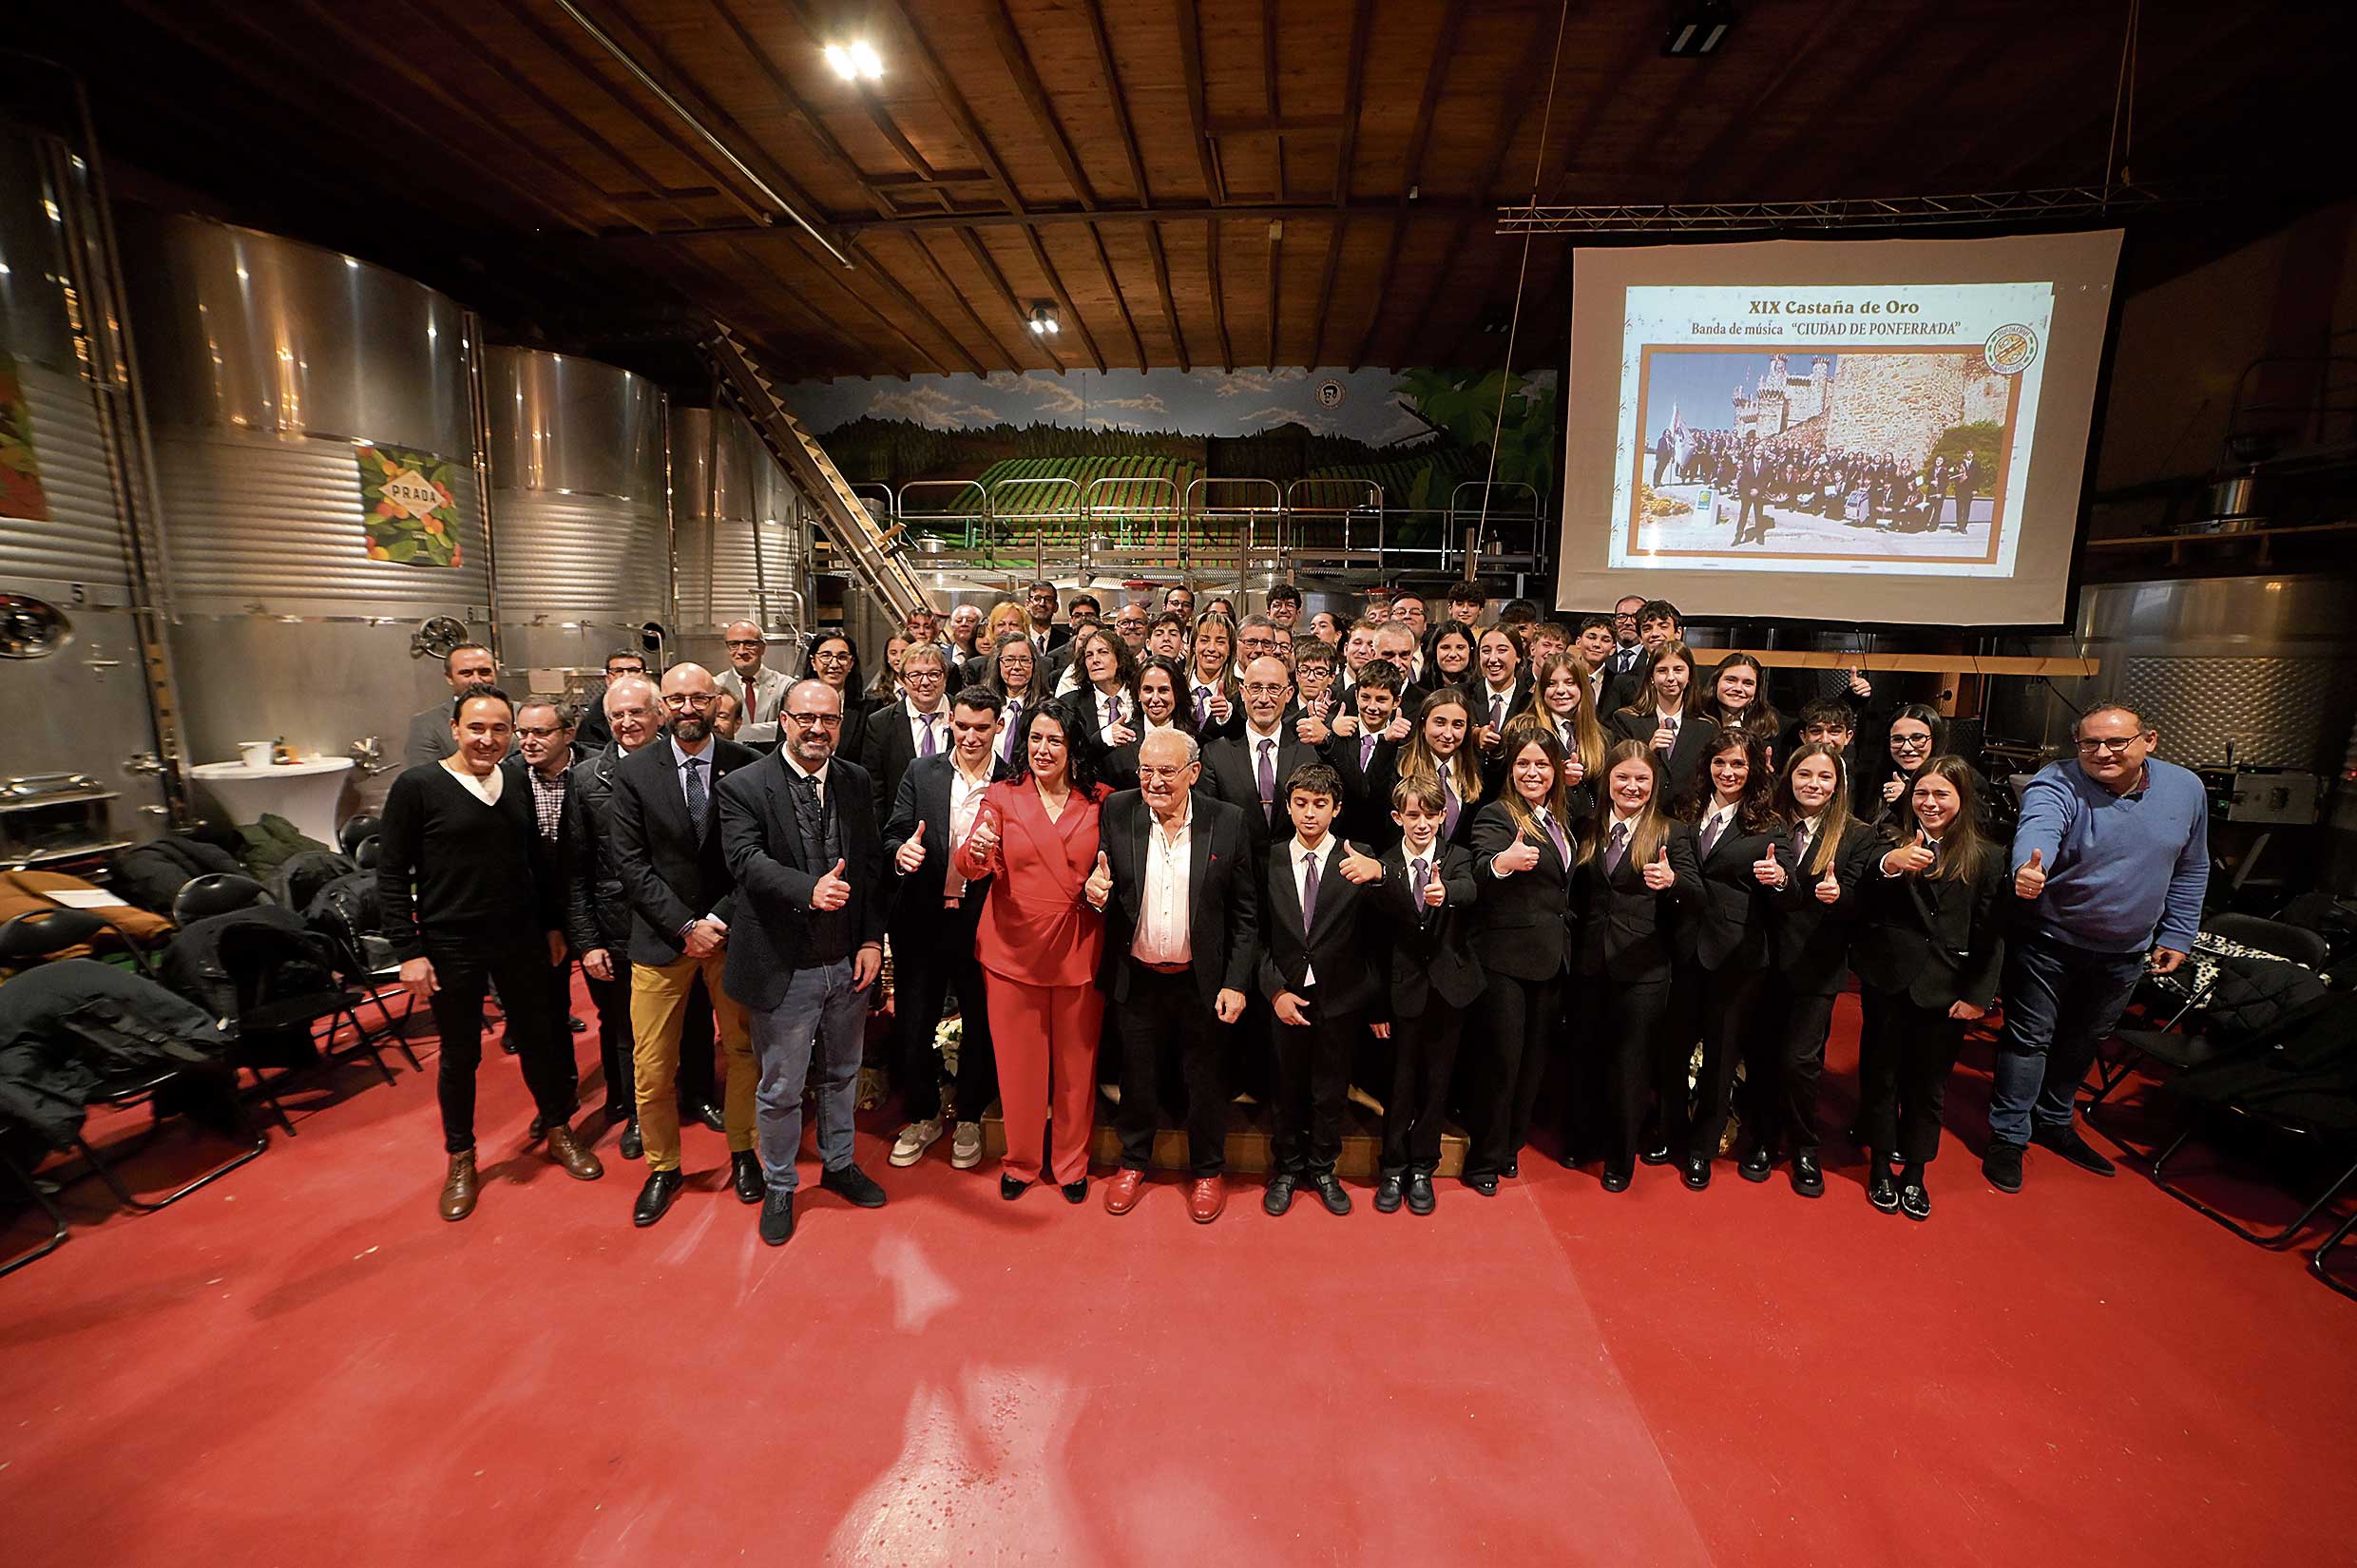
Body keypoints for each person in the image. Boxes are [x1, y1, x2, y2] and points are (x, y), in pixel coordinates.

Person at [379, 687, 603, 1220]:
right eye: (477, 728)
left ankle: (557, 1128)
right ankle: (461, 1157)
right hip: (451, 942)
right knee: (461, 1056)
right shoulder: (418, 787)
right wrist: (408, 950)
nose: (488, 739)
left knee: (542, 1038)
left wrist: (552, 924)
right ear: (455, 728)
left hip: (522, 935)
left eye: (500, 729)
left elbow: (539, 862)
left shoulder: (519, 784)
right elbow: (390, 874)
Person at [1984, 703, 2208, 1192]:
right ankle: (2008, 1136)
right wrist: (2029, 868)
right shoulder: (2057, 782)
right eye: (2089, 744)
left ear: (2148, 740)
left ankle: (2054, 1120)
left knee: (2084, 1040)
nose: (2101, 753)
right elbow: (2039, 828)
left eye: (2115, 743)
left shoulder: (2185, 789)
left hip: (2126, 949)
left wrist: (2177, 933)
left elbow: (2192, 866)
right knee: (2029, 1038)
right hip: (2051, 939)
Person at [716, 678, 891, 1248]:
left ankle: (839, 1163)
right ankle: (782, 1185)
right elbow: (745, 861)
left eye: (829, 719)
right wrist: (808, 889)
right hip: (784, 964)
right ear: (784, 720)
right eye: (805, 718)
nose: (818, 729)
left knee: (843, 1074)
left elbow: (866, 868)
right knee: (782, 1086)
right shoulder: (743, 785)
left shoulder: (855, 780)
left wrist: (871, 941)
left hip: (847, 961)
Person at [606, 663, 762, 1227]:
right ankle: (664, 1167)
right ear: (661, 707)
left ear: (715, 700)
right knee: (651, 1066)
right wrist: (684, 925)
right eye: (677, 699)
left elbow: (754, 858)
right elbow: (628, 862)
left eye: (699, 697)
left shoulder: (747, 766)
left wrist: (716, 920)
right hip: (660, 940)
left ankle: (745, 1152)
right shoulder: (634, 773)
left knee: (744, 1053)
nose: (689, 708)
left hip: (732, 933)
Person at [1091, 728, 1257, 1222]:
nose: (1155, 781)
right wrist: (1095, 889)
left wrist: (1235, 981)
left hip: (1201, 980)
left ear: (1193, 774)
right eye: (1146, 769)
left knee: (1205, 1080)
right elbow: (1103, 880)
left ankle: (1207, 1169)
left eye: (1167, 771)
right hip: (1137, 975)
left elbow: (1246, 915)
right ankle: (1133, 1161)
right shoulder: (1118, 811)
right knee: (1137, 1076)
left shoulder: (1226, 821)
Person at [953, 703, 1108, 1203]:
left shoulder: (1101, 800)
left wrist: (1109, 886)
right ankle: (1020, 1162)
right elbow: (972, 861)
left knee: (1075, 1068)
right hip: (1011, 952)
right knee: (1018, 1067)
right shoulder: (1001, 796)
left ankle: (1071, 1163)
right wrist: (975, 853)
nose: (1043, 750)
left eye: (1055, 741)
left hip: (1077, 949)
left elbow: (1118, 863)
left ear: (1073, 748)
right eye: (1036, 739)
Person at [1852, 755, 2003, 1220]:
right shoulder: (1886, 841)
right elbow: (1862, 891)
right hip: (1888, 980)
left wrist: (1979, 996)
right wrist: (1889, 865)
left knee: (1929, 1086)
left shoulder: (1987, 856)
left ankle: (1915, 1172)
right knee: (1880, 1076)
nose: (1930, 803)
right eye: (1922, 793)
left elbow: (1990, 933)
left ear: (1962, 800)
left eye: (1942, 794)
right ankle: (1879, 1166)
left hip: (1945, 988)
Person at [882, 687, 1010, 1175]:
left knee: (981, 1023)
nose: (971, 736)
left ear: (998, 726)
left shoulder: (1013, 781)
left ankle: (973, 1115)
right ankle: (922, 1114)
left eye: (982, 727)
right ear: (949, 724)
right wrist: (900, 853)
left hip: (984, 925)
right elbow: (894, 831)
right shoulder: (922, 771)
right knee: (914, 1024)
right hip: (922, 920)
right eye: (962, 726)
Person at [1569, 741, 1701, 1190]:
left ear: (1654, 783)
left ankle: (1620, 1159)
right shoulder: (1587, 827)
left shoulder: (1671, 833)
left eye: (1641, 779)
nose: (1632, 786)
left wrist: (1674, 883)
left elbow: (1699, 895)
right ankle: (1583, 1139)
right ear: (1608, 780)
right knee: (1585, 1057)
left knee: (1630, 1066)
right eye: (1623, 777)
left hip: (1644, 968)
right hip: (1588, 964)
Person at [1747, 741, 1875, 1195]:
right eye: (1804, 775)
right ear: (1789, 778)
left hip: (1818, 965)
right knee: (1761, 1055)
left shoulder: (1857, 835)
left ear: (1838, 785)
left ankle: (1804, 1144)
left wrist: (1839, 900)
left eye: (1824, 777)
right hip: (1762, 960)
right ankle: (1762, 1137)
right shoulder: (1766, 824)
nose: (1813, 784)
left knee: (1800, 1061)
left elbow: (1864, 904)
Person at [1257, 762, 1385, 1217]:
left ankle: (1324, 1168)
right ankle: (1288, 1169)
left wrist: (1381, 876)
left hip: (1342, 998)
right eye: (1301, 804)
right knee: (1287, 1088)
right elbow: (1257, 934)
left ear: (1337, 809)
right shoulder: (1269, 859)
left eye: (1320, 805)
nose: (1310, 814)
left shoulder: (1360, 857)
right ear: (1288, 807)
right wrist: (1274, 991)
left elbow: (1380, 934)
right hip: (1287, 996)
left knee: (1330, 1090)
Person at [1462, 728, 1577, 1194]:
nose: (1533, 773)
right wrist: (1502, 863)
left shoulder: (1559, 818)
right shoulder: (1497, 814)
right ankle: (1482, 1161)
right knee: (1502, 1063)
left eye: (1543, 765)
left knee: (1532, 1062)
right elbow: (1479, 869)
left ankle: (1510, 1145)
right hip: (1505, 960)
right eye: (1524, 764)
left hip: (1553, 958)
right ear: (1510, 770)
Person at [1672, 731, 1788, 1191]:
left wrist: (1779, 879)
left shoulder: (1768, 824)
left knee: (1721, 1056)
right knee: (1674, 1045)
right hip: (1679, 947)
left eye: (1738, 765)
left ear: (1753, 770)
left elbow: (1790, 885)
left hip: (1735, 953)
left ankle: (1703, 1146)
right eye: (1721, 763)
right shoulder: (1684, 809)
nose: (1729, 772)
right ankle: (1671, 1129)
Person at [1370, 776, 1481, 1214]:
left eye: (1430, 815)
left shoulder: (1457, 859)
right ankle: (1393, 1167)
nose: (1421, 823)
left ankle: (1423, 1167)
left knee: (1437, 1082)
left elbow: (1470, 889)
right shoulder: (1384, 865)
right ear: (1398, 817)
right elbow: (1374, 944)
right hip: (1400, 994)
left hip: (1448, 993)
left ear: (1443, 816)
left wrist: (1446, 892)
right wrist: (1377, 1003)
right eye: (1412, 815)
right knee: (1399, 1082)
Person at [566, 674, 663, 1155]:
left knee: (691, 1019)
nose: (627, 723)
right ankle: (633, 1112)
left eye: (637, 712)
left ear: (659, 714)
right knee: (625, 1028)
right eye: (617, 716)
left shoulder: (685, 766)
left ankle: (694, 1097)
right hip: (617, 925)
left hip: (676, 921)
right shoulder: (585, 781)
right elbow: (576, 868)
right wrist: (588, 942)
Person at [508, 697, 581, 1090]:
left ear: (568, 733)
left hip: (587, 901)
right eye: (523, 733)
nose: (529, 741)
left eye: (541, 732)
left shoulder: (593, 770)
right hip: (536, 910)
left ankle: (627, 1098)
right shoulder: (508, 778)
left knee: (617, 1010)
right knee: (549, 1011)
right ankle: (561, 1096)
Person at [1200, 656, 1319, 861]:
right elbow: (1209, 824)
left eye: (1273, 688)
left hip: (1294, 874)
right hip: (1237, 875)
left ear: (1289, 693)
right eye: (1255, 688)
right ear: (1243, 692)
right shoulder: (1215, 754)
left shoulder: (1310, 752)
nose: (1264, 698)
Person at [858, 640, 953, 829]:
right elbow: (875, 792)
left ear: (945, 677)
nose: (925, 682)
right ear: (902, 679)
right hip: (902, 833)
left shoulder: (965, 714)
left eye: (934, 674)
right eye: (915, 675)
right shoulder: (880, 723)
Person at [1607, 638, 1713, 803]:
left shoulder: (1707, 727)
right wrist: (1648, 751)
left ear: (1690, 675)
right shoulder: (1626, 720)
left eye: (1678, 670)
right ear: (1651, 677)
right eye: (1662, 670)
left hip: (1688, 819)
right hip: (1642, 813)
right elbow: (1616, 772)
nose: (1670, 678)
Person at [1326, 660, 1410, 851]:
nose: (1372, 707)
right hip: (1339, 840)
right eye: (1365, 697)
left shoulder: (1405, 745)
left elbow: (1376, 796)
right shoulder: (1340, 735)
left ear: (1396, 701)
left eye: (1381, 699)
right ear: (1356, 696)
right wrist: (1331, 734)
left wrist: (1387, 743)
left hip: (1386, 846)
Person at [1516, 652, 1605, 821]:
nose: (1561, 691)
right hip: (1538, 825)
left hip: (1586, 833)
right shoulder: (1523, 728)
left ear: (1582, 687)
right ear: (1541, 690)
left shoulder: (1601, 735)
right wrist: (1558, 779)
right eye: (1551, 684)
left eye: (1569, 683)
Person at [1393, 690, 1485, 848]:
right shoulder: (1397, 763)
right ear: (1423, 725)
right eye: (1440, 723)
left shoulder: (1478, 769)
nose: (1448, 734)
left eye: (1458, 725)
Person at [403, 642, 504, 767]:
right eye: (466, 673)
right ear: (449, 677)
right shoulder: (427, 725)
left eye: (484, 672)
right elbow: (422, 780)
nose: (477, 680)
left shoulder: (523, 714)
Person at [799, 631, 870, 761]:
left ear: (851, 664)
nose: (834, 664)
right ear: (813, 662)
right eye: (826, 656)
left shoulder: (869, 708)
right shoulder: (794, 702)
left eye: (842, 657)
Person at [978, 629, 1041, 767]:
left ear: (1034, 664)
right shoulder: (982, 706)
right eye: (1009, 660)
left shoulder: (1045, 707)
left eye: (1024, 660)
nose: (1017, 667)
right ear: (998, 663)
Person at [716, 620, 790, 731]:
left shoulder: (785, 686)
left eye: (749, 644)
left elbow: (790, 729)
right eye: (734, 644)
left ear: (763, 648)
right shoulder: (715, 686)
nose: (741, 651)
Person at [574, 648, 646, 752]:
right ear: (607, 679)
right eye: (618, 671)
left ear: (644, 676)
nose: (625, 676)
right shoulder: (591, 721)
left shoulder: (663, 709)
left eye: (633, 670)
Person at [1185, 612, 1243, 741]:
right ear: (1194, 646)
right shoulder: (1175, 686)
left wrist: (1227, 717)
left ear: (1230, 650)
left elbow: (1243, 737)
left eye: (1220, 642)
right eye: (1204, 640)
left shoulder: (1241, 692)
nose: (1211, 648)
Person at [1427, 619, 1477, 695]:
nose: (1452, 654)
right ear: (1434, 650)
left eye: (1460, 647)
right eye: (1445, 647)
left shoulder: (1481, 693)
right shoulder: (1420, 693)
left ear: (1471, 650)